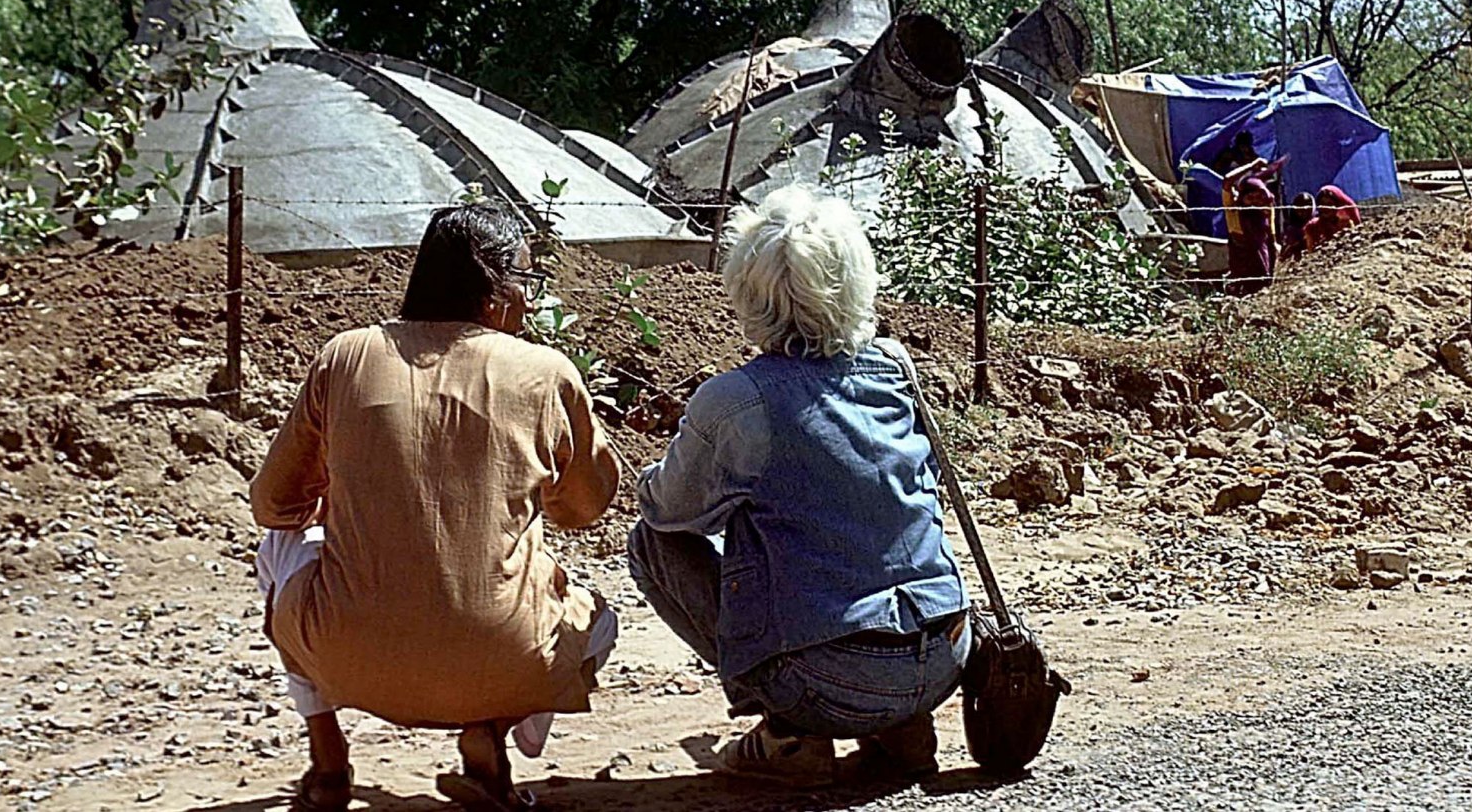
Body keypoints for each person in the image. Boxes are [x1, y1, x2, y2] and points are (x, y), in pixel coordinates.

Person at [251, 203, 619, 812]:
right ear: (496, 289)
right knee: (600, 619)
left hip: (348, 657)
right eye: (525, 280)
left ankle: (327, 761)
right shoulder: (545, 373)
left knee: (277, 550)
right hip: (508, 660)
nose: (528, 300)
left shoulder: (345, 356)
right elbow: (584, 508)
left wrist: (343, 503)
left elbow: (273, 504)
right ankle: (491, 731)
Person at [627, 185, 970, 789]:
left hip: (830, 676)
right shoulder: (894, 366)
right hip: (945, 653)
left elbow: (669, 509)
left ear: (747, 291)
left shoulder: (738, 401)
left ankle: (793, 732)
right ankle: (900, 723)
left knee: (651, 540)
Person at [1222, 158, 1275, 295]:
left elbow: (1271, 241)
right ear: (1242, 197)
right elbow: (1227, 181)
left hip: (1261, 268)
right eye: (1250, 198)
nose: (1254, 202)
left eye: (1258, 198)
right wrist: (1251, 166)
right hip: (1240, 267)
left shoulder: (1265, 214)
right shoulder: (1233, 210)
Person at [1304, 184, 1363, 250]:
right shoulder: (1312, 227)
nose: (1325, 208)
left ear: (1337, 206)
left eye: (1329, 204)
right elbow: (1311, 251)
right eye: (1322, 203)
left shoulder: (1346, 224)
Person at [1279, 192, 1317, 264]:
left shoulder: (1318, 226)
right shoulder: (1291, 231)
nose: (1303, 209)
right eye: (1299, 205)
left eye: (1307, 205)